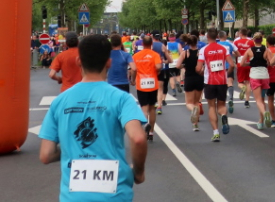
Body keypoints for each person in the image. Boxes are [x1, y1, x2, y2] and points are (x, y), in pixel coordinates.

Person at [38, 34, 148, 201]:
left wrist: (71, 148)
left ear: (78, 61)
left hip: (73, 197)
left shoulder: (59, 101)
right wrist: (138, 173)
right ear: (109, 62)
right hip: (114, 195)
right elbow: (138, 138)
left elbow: (46, 155)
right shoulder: (122, 99)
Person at [196, 28, 234, 142]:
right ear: (217, 36)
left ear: (207, 37)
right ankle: (223, 116)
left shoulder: (203, 50)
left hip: (209, 81)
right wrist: (226, 74)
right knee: (221, 105)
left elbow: (198, 68)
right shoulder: (223, 48)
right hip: (222, 81)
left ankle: (216, 132)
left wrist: (201, 72)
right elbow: (232, 64)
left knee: (212, 106)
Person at [132, 35, 162, 142]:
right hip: (152, 83)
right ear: (151, 44)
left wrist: (133, 79)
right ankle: (152, 132)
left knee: (144, 108)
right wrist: (157, 71)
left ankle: (145, 126)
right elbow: (158, 66)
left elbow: (133, 69)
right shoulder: (155, 55)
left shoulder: (136, 55)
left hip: (141, 83)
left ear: (142, 44)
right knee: (152, 108)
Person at [240, 32, 271, 129]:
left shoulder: (249, 50)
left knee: (258, 100)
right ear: (262, 40)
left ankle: (265, 113)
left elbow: (242, 63)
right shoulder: (266, 50)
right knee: (262, 99)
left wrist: (251, 63)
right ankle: (261, 122)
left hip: (255, 76)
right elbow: (270, 62)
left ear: (253, 40)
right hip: (265, 76)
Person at [176, 33, 204, 132]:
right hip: (199, 78)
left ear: (188, 43)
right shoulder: (200, 53)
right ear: (197, 42)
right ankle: (195, 124)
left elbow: (177, 65)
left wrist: (184, 66)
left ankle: (193, 111)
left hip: (189, 78)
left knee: (189, 103)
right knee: (196, 102)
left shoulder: (185, 53)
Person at [234, 27, 255, 109]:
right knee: (248, 82)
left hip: (240, 63)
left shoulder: (236, 42)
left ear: (240, 34)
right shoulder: (251, 42)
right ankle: (247, 101)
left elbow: (234, 52)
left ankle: (242, 88)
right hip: (249, 63)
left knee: (240, 82)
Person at [217, 30, 237, 113]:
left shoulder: (216, 45)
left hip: (219, 66)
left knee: (221, 84)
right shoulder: (230, 44)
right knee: (230, 82)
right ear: (225, 36)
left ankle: (222, 101)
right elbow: (238, 53)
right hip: (229, 65)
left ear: (218, 37)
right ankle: (231, 98)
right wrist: (233, 55)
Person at [166, 33, 183, 98]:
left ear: (169, 38)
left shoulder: (167, 45)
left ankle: (173, 91)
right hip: (177, 61)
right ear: (175, 38)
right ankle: (178, 82)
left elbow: (166, 53)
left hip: (170, 62)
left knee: (171, 77)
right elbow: (181, 53)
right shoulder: (178, 44)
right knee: (178, 75)